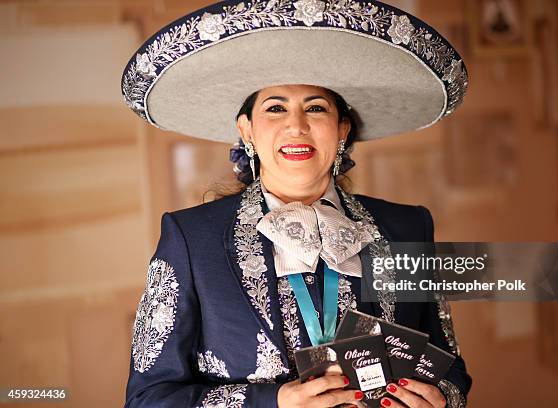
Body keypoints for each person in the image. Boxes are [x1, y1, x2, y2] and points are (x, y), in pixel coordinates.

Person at [121, 0, 471, 407]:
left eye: (316, 108)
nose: (296, 125)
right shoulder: (190, 239)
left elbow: (449, 370)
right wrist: (273, 402)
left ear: (342, 129)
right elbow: (148, 398)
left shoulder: (408, 229)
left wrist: (441, 399)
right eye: (275, 108)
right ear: (246, 130)